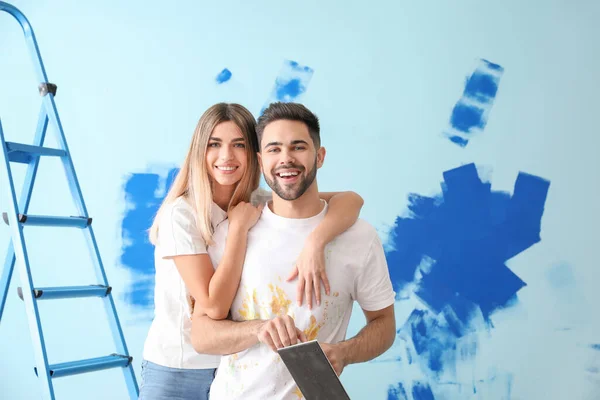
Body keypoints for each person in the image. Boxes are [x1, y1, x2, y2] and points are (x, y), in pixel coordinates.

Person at [138, 103, 365, 400]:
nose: (226, 156)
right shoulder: (181, 215)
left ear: (255, 155)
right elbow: (214, 306)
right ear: (199, 151)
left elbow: (351, 200)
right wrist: (238, 230)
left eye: (239, 145)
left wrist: (315, 242)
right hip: (179, 370)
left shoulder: (259, 201)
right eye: (214, 144)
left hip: (233, 367)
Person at [192, 102, 396, 400]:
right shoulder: (234, 230)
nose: (286, 159)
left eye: (298, 147)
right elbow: (201, 336)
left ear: (320, 156)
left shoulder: (359, 236)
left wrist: (343, 353)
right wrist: (258, 329)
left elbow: (384, 323)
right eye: (274, 149)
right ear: (261, 161)